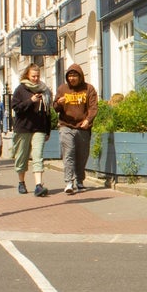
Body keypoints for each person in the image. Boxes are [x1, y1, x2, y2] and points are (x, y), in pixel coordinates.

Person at [53, 63, 98, 195]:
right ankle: (69, 182)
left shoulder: (88, 89)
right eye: (70, 76)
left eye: (75, 75)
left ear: (80, 76)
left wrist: (88, 120)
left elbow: (93, 107)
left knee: (82, 155)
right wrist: (58, 104)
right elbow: (55, 107)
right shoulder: (62, 89)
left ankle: (79, 180)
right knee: (69, 153)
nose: (72, 78)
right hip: (65, 126)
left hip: (83, 127)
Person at [11, 63, 52, 197]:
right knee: (21, 157)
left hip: (39, 128)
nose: (36, 78)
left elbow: (47, 112)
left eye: (38, 76)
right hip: (23, 128)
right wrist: (31, 101)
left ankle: (38, 186)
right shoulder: (20, 90)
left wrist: (48, 130)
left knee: (37, 156)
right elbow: (16, 108)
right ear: (27, 75)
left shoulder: (44, 90)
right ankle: (21, 182)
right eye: (33, 76)